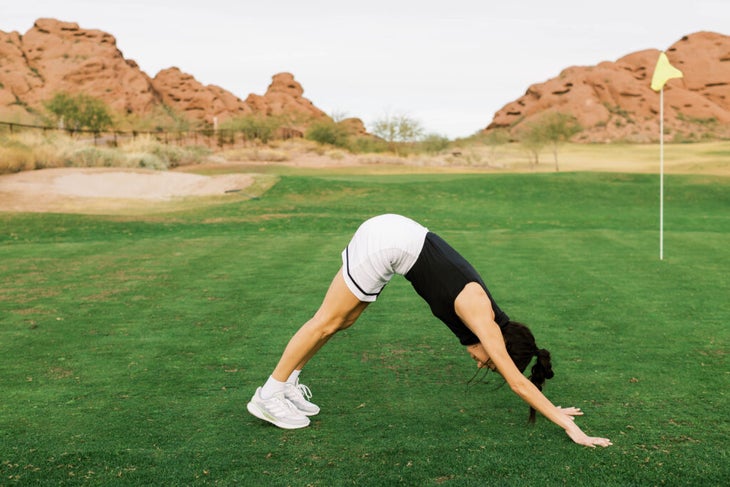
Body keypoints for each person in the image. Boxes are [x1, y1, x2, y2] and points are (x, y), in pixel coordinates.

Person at [247, 214, 612, 447]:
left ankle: (289, 382)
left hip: (396, 238)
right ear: (497, 342)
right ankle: (270, 394)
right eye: (487, 363)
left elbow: (515, 376)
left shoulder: (484, 314)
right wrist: (567, 424)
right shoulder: (479, 315)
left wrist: (549, 404)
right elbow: (516, 380)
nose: (480, 363)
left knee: (344, 320)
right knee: (326, 320)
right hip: (388, 242)